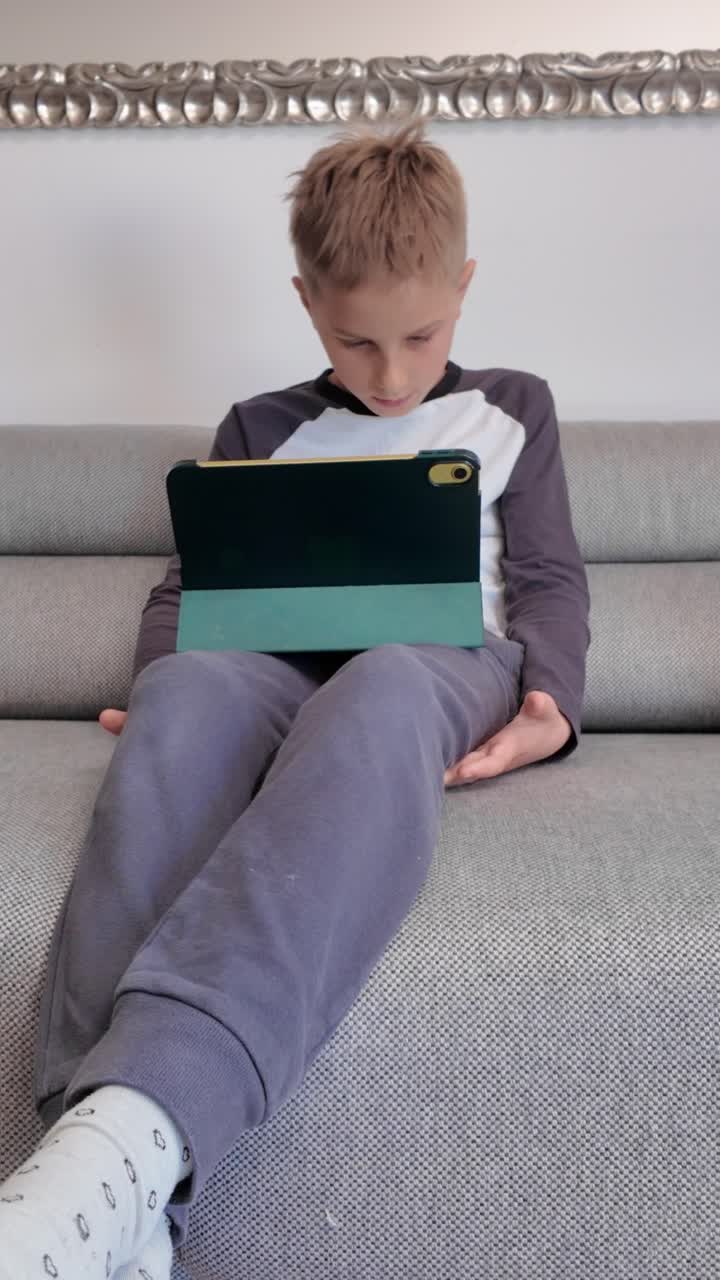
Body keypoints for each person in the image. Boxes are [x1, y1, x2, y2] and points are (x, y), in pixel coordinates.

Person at [0, 120, 590, 1280]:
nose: (391, 375)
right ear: (306, 301)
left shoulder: (515, 407)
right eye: (354, 339)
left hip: (442, 657)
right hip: (276, 661)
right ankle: (95, 1181)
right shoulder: (260, 428)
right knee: (188, 694)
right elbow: (193, 587)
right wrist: (157, 683)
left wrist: (551, 701)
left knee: (381, 682)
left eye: (421, 336)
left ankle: (120, 1150)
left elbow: (550, 579)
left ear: (464, 287)